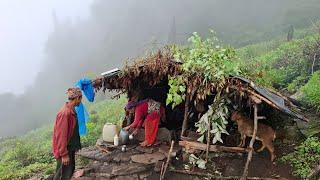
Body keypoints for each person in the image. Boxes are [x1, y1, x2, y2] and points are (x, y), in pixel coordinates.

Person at [52, 88, 82, 180]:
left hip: (70, 148)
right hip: (65, 150)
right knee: (62, 175)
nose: (81, 101)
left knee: (69, 171)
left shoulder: (72, 110)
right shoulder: (65, 113)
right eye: (80, 98)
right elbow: (61, 135)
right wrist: (64, 154)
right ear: (77, 98)